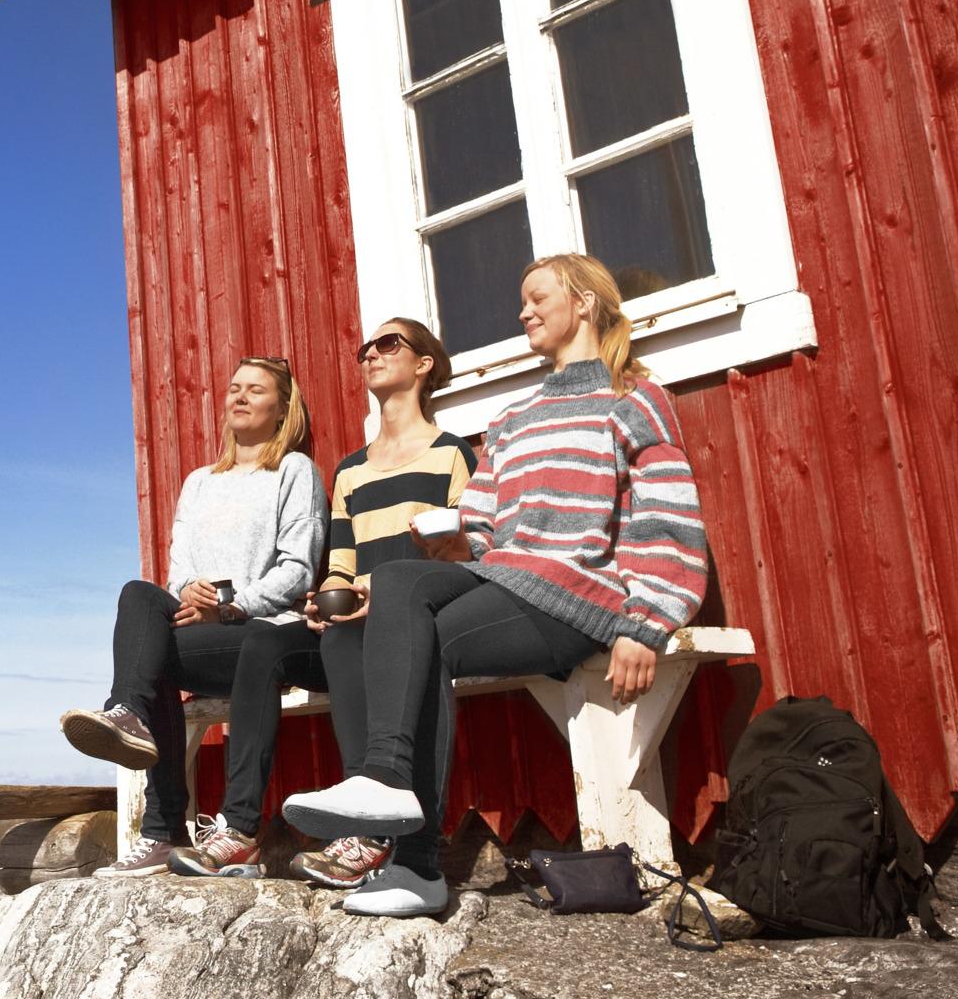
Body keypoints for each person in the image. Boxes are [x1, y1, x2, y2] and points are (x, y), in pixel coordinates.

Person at [283, 254, 712, 919]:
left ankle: (406, 834)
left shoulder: (634, 398)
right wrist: (456, 544)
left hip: (579, 597)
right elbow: (483, 528)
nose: (524, 311)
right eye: (522, 300)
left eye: (538, 297)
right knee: (395, 584)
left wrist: (645, 621)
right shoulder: (514, 418)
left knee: (410, 607)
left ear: (585, 303)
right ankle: (412, 847)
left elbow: (668, 517)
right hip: (505, 581)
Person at [59, 357, 323, 876]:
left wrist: (231, 604)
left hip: (261, 637)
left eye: (256, 390)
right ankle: (127, 712)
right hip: (200, 636)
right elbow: (179, 570)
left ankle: (163, 830)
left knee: (148, 655)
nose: (240, 397)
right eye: (234, 388)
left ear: (282, 408)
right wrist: (189, 593)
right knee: (139, 596)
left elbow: (299, 568)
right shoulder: (200, 481)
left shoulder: (293, 470)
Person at [282, 318, 474, 892]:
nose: (371, 353)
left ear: (423, 364)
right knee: (339, 636)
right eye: (366, 346)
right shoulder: (349, 471)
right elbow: (342, 560)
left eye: (388, 343)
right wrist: (326, 599)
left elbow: (464, 552)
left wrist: (385, 595)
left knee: (398, 638)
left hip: (423, 609)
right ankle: (364, 821)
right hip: (358, 619)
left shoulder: (450, 456)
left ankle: (378, 838)